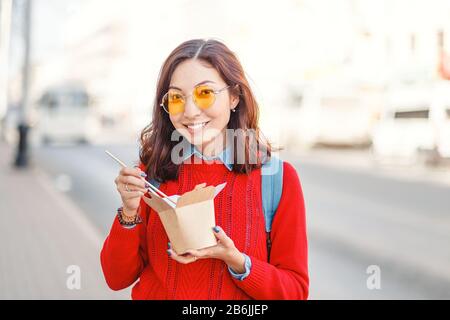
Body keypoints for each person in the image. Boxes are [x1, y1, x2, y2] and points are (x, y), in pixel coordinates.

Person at [100, 39, 309, 300]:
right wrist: (129, 213)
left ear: (234, 96)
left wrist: (237, 262)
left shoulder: (277, 179)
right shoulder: (153, 173)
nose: (189, 111)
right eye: (176, 97)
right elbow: (116, 278)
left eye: (205, 93)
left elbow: (295, 292)